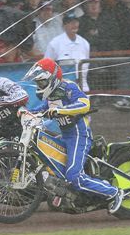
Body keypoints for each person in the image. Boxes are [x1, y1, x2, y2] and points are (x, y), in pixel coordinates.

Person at [23, 58, 124, 213]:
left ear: (52, 78)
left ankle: (114, 192)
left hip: (79, 136)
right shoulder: (51, 95)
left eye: (41, 82)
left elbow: (84, 103)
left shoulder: (68, 87)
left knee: (74, 176)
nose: (39, 86)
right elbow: (43, 108)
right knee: (52, 165)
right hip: (65, 136)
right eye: (38, 83)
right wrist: (26, 112)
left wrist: (61, 111)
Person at [45, 13, 91, 91]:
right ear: (64, 26)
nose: (74, 25)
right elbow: (46, 66)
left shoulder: (85, 43)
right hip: (62, 87)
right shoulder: (55, 43)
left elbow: (86, 66)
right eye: (70, 23)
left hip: (82, 86)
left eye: (76, 22)